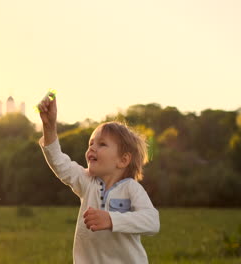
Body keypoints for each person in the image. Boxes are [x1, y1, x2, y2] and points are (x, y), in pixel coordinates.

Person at [38, 93, 160, 263]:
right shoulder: (87, 182)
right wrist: (49, 126)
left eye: (102, 144)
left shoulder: (131, 188)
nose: (92, 148)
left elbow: (152, 222)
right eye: (91, 144)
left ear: (123, 160)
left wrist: (111, 219)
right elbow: (59, 162)